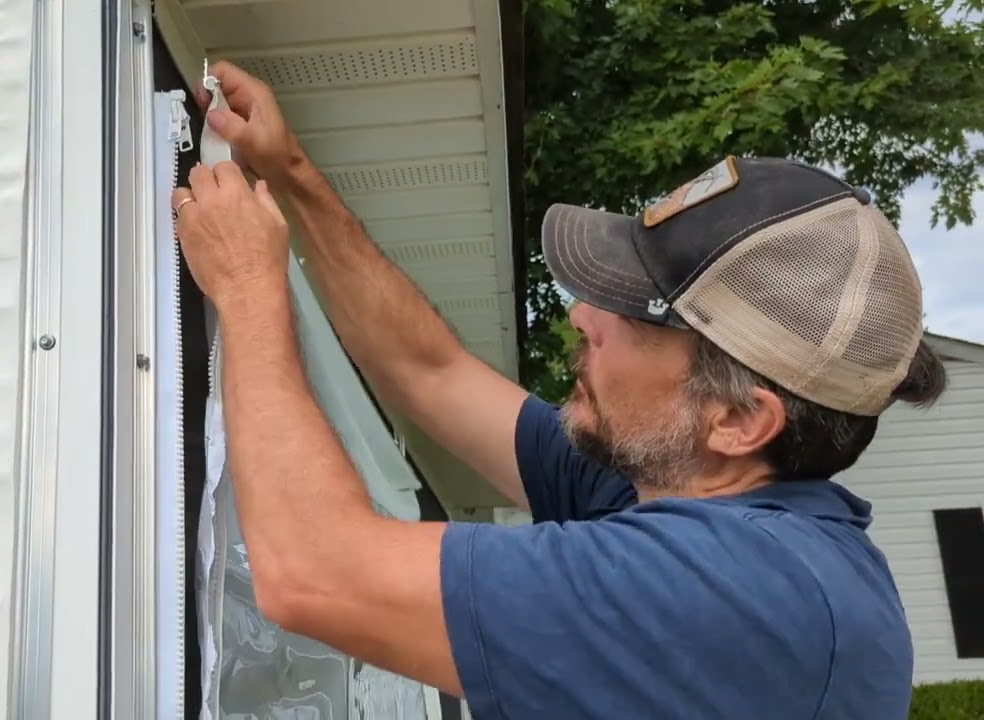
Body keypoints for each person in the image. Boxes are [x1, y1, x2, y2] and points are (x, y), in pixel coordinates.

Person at [170, 60, 947, 719]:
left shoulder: (750, 595)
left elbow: (317, 573)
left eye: (633, 315)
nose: (583, 316)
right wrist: (293, 174)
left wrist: (246, 287)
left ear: (739, 418)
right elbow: (429, 372)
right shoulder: (669, 485)